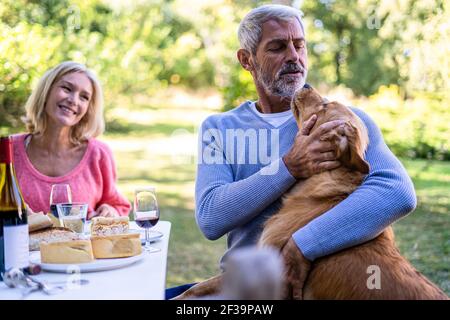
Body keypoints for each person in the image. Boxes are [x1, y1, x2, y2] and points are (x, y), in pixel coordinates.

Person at [192, 4, 416, 298]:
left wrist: (301, 246)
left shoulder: (342, 121)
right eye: (277, 47)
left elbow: (398, 192)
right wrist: (288, 167)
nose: (294, 57)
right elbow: (211, 217)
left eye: (299, 45)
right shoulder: (218, 128)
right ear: (246, 60)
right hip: (243, 287)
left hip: (324, 284)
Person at [12, 61, 131, 219]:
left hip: (79, 244)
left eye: (84, 97)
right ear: (46, 91)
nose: (74, 100)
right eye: (67, 88)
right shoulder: (8, 149)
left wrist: (110, 210)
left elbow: (117, 205)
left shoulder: (99, 154)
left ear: (88, 109)